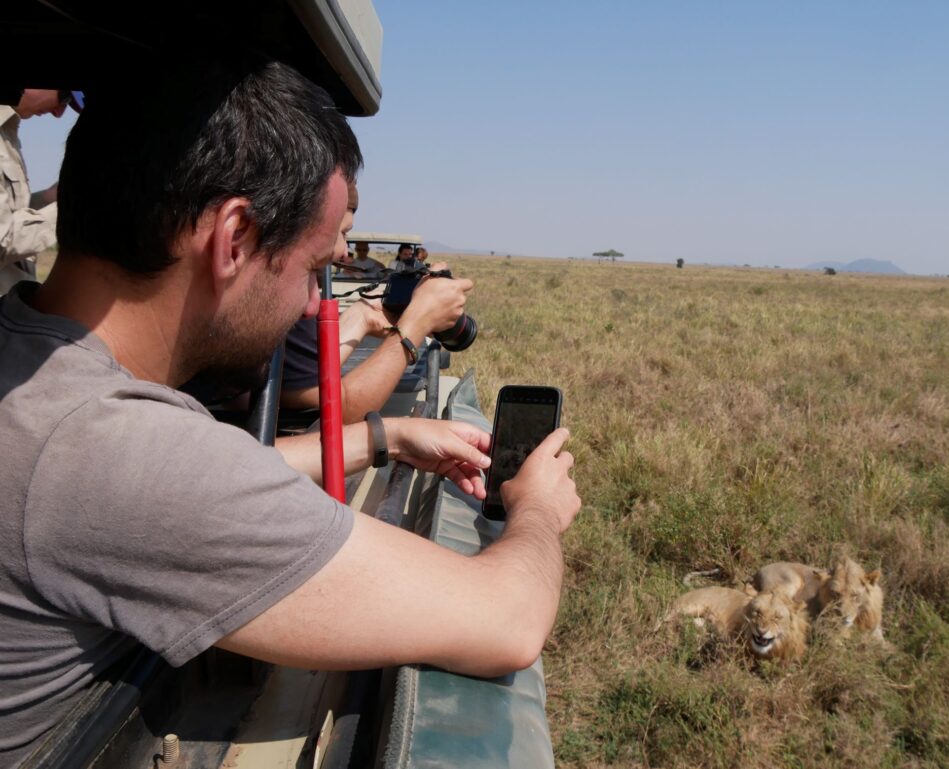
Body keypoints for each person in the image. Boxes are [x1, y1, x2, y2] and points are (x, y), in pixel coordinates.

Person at [0, 58, 579, 763]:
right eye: (312, 269)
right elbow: (506, 619)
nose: (314, 305)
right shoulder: (117, 452)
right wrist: (538, 510)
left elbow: (173, 489)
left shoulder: (33, 366)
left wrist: (382, 435)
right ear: (235, 239)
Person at [280, 186, 471, 415]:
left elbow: (308, 370)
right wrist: (415, 324)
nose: (344, 252)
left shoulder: (281, 292)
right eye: (342, 233)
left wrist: (363, 315)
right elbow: (341, 412)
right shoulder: (283, 298)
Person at [0, 89, 70, 294]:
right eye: (64, 96)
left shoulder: (7, 133)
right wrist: (74, 206)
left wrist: (50, 198)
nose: (59, 113)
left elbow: (9, 216)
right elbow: (3, 239)